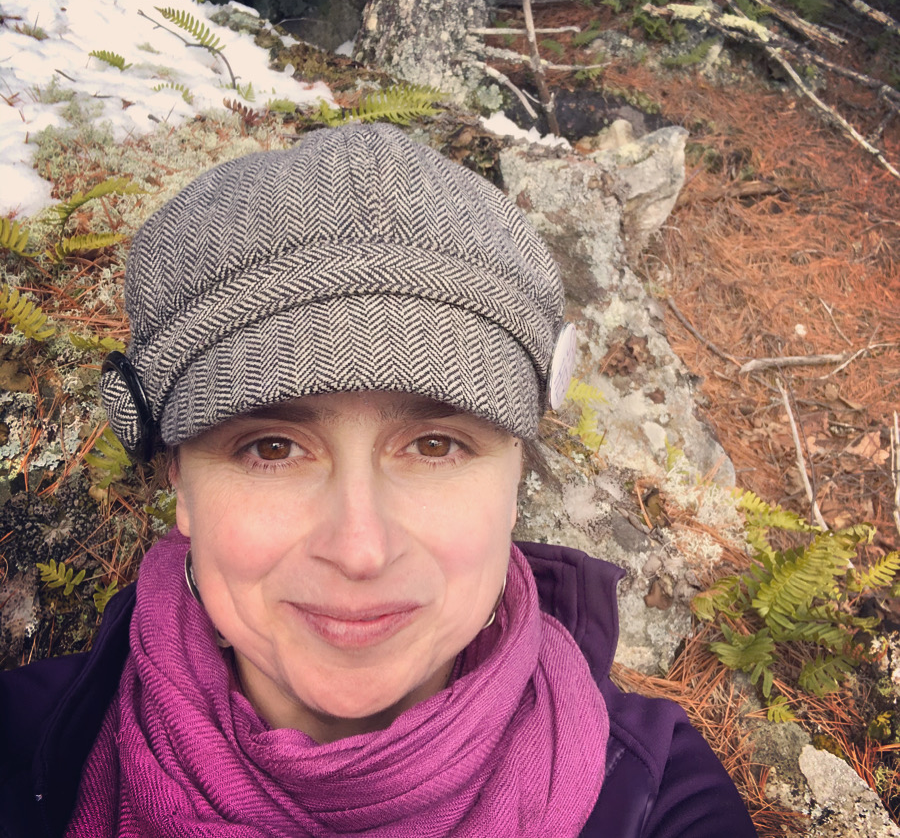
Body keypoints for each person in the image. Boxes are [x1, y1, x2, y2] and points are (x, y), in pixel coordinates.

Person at [0, 123, 757, 837]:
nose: (360, 549)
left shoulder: (655, 796)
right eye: (271, 447)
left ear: (516, 475)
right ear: (179, 483)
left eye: (435, 445)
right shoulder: (23, 744)